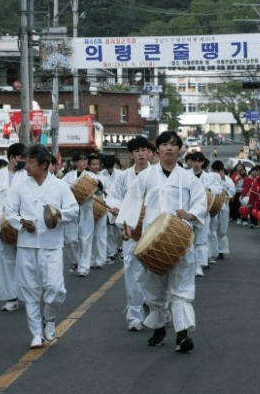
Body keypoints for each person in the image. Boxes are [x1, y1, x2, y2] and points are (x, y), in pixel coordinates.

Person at [117, 131, 207, 353]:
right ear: (157, 150)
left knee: (182, 288)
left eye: (173, 145)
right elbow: (132, 201)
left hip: (181, 240)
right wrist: (126, 227)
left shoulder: (187, 178)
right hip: (152, 240)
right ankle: (158, 327)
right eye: (164, 144)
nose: (169, 148)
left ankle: (182, 334)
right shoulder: (146, 177)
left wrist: (192, 214)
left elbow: (200, 202)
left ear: (180, 150)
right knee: (153, 288)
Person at [5, 144, 79, 348]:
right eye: (26, 161)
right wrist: (20, 221)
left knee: (56, 289)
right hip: (26, 245)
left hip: (52, 244)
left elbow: (73, 210)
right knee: (30, 290)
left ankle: (50, 317)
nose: (26, 165)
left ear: (44, 165)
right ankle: (36, 333)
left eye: (31, 162)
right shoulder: (20, 185)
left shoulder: (60, 187)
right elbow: (9, 210)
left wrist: (57, 216)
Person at [107, 136, 152, 331]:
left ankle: (158, 309)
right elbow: (113, 197)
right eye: (136, 151)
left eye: (144, 150)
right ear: (131, 154)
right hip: (130, 231)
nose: (141, 154)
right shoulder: (124, 176)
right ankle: (135, 315)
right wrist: (116, 208)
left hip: (153, 230)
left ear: (149, 152)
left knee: (155, 273)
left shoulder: (157, 175)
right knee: (132, 272)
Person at [0, 143, 27, 312]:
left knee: (26, 262)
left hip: (24, 225)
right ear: (12, 158)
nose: (24, 161)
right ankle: (11, 297)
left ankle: (28, 295)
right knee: (5, 262)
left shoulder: (28, 176)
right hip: (1, 226)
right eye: (21, 158)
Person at [62, 151, 99, 277]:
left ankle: (83, 268)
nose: (84, 162)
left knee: (85, 239)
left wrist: (97, 184)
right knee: (71, 240)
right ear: (75, 162)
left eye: (85, 160)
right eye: (81, 160)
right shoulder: (68, 176)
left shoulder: (90, 175)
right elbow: (62, 189)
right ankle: (76, 261)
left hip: (86, 209)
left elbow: (99, 187)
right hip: (72, 210)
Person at [184, 151, 221, 276]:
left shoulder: (210, 177)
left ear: (203, 163)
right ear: (191, 162)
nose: (197, 164)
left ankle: (199, 265)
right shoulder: (185, 175)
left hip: (204, 212)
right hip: (188, 212)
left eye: (199, 161)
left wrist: (209, 190)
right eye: (194, 161)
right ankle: (190, 264)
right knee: (188, 239)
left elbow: (218, 189)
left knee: (202, 239)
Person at [210, 160, 235, 261]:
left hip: (224, 206)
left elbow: (232, 191)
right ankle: (212, 251)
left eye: (218, 171)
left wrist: (224, 191)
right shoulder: (210, 178)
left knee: (222, 229)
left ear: (222, 170)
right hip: (213, 206)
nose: (217, 173)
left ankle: (222, 250)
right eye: (215, 171)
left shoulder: (228, 180)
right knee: (212, 229)